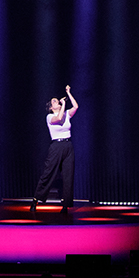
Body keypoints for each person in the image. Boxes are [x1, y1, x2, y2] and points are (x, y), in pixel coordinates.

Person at [31, 85, 79, 214]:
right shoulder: (49, 117)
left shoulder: (66, 113)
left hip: (68, 145)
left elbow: (75, 107)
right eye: (53, 101)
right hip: (56, 146)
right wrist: (63, 105)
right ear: (52, 108)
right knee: (48, 173)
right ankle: (36, 200)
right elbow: (59, 119)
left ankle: (66, 205)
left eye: (56, 100)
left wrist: (68, 93)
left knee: (68, 175)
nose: (56, 101)